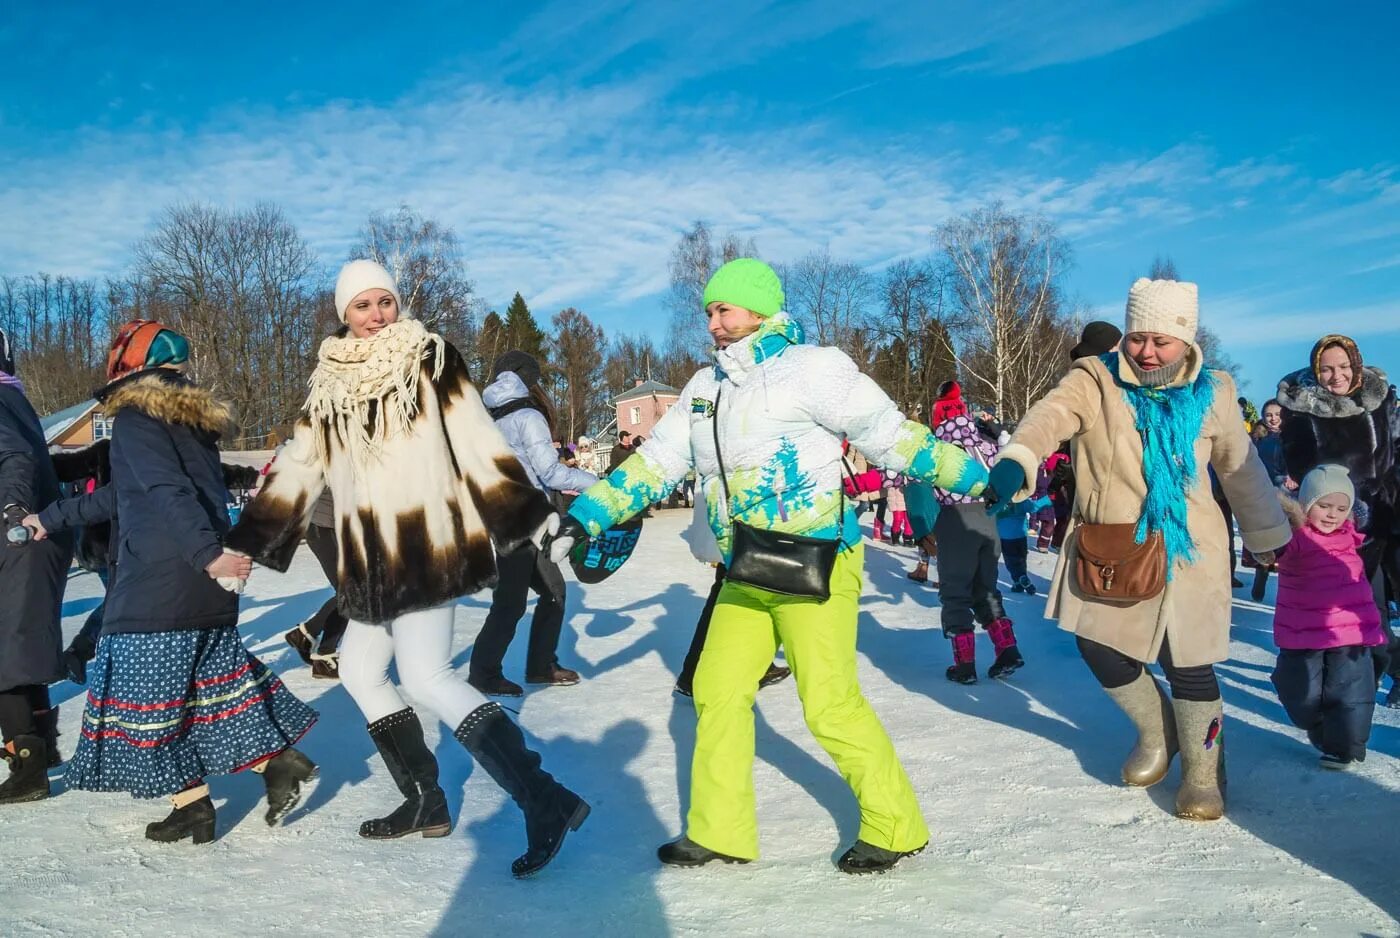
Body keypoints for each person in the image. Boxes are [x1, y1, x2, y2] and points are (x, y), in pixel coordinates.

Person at [549, 257, 988, 873]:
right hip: (747, 566)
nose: (712, 323)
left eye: (723, 309)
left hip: (818, 560)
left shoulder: (813, 371)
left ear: (760, 309)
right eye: (707, 312)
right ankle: (719, 828)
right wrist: (584, 515)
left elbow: (889, 434)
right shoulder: (706, 390)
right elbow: (655, 465)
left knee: (830, 702)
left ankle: (896, 824)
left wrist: (974, 478)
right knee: (717, 687)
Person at [225, 260, 586, 878]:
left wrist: (530, 518)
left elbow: (477, 441)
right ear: (344, 313)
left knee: (425, 677)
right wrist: (248, 541)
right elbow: (298, 465)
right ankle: (424, 798)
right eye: (362, 306)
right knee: (361, 671)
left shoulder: (428, 359)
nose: (375, 316)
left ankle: (544, 799)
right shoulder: (328, 385)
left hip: (426, 543)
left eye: (384, 303)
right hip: (370, 559)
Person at [987, 278, 1289, 821]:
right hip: (1114, 547)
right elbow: (1048, 420)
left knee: (1188, 664)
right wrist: (1018, 458)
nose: (1146, 351)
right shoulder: (1096, 378)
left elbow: (1243, 473)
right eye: (1136, 338)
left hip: (1190, 552)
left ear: (1186, 341)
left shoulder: (1215, 392)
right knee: (1098, 647)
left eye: (1160, 341)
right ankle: (1159, 733)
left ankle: (1202, 774)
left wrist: (1268, 539)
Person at [25, 320, 317, 841]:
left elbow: (164, 490)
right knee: (204, 694)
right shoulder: (185, 420)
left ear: (125, 366)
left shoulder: (137, 418)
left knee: (143, 705)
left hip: (165, 582)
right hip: (200, 585)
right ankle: (199, 805)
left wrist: (207, 555)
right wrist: (49, 519)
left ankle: (265, 767)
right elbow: (122, 495)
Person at [1276, 334, 1400, 707]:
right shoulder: (1304, 409)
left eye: (1343, 367)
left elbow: (1395, 453)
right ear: (1316, 371)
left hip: (1386, 515)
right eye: (1327, 369)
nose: (1337, 376)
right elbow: (1299, 466)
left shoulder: (1378, 399)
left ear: (1356, 365)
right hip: (1336, 527)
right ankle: (1364, 680)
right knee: (1366, 609)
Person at [470, 350, 599, 695]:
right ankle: (485, 672)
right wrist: (599, 485)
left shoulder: (491, 418)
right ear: (528, 379)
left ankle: (540, 665)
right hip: (525, 519)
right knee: (512, 602)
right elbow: (550, 471)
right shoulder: (528, 415)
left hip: (504, 515)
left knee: (552, 591)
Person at [1270, 465, 1385, 769]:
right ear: (1306, 505)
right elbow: (1268, 547)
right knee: (1300, 695)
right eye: (1324, 506)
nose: (1332, 514)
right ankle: (1321, 727)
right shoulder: (1295, 539)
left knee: (1351, 693)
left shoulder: (1351, 538)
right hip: (1303, 631)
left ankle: (1343, 746)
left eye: (1341, 508)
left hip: (1350, 633)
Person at [0, 328, 74, 803]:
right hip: (36, 537)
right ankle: (42, 747)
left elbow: (16, 457)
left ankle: (25, 764)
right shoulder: (13, 396)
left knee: (6, 652)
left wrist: (12, 511)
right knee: (20, 645)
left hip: (20, 536)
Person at [930, 380, 1024, 684]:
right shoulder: (984, 441)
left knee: (955, 591)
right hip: (987, 518)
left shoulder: (937, 447)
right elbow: (1012, 461)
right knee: (986, 588)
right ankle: (1007, 648)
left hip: (955, 520)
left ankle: (965, 665)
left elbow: (902, 471)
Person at [283, 490, 346, 680]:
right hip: (325, 525)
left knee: (352, 592)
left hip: (333, 525)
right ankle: (314, 639)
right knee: (352, 591)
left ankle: (317, 644)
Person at [1247, 400, 1288, 601]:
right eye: (1269, 415)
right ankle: (1261, 572)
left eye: (1277, 415)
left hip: (1285, 492)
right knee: (1263, 537)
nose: (1273, 419)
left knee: (1285, 536)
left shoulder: (1291, 437)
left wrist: (1293, 477)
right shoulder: (1256, 438)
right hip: (1261, 490)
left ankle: (1284, 576)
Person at [997, 495, 1046, 595]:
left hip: (1006, 537)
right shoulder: (1021, 499)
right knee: (1021, 559)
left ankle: (1020, 578)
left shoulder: (999, 500)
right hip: (1020, 536)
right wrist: (1047, 500)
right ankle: (1019, 582)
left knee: (1011, 562)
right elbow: (1034, 507)